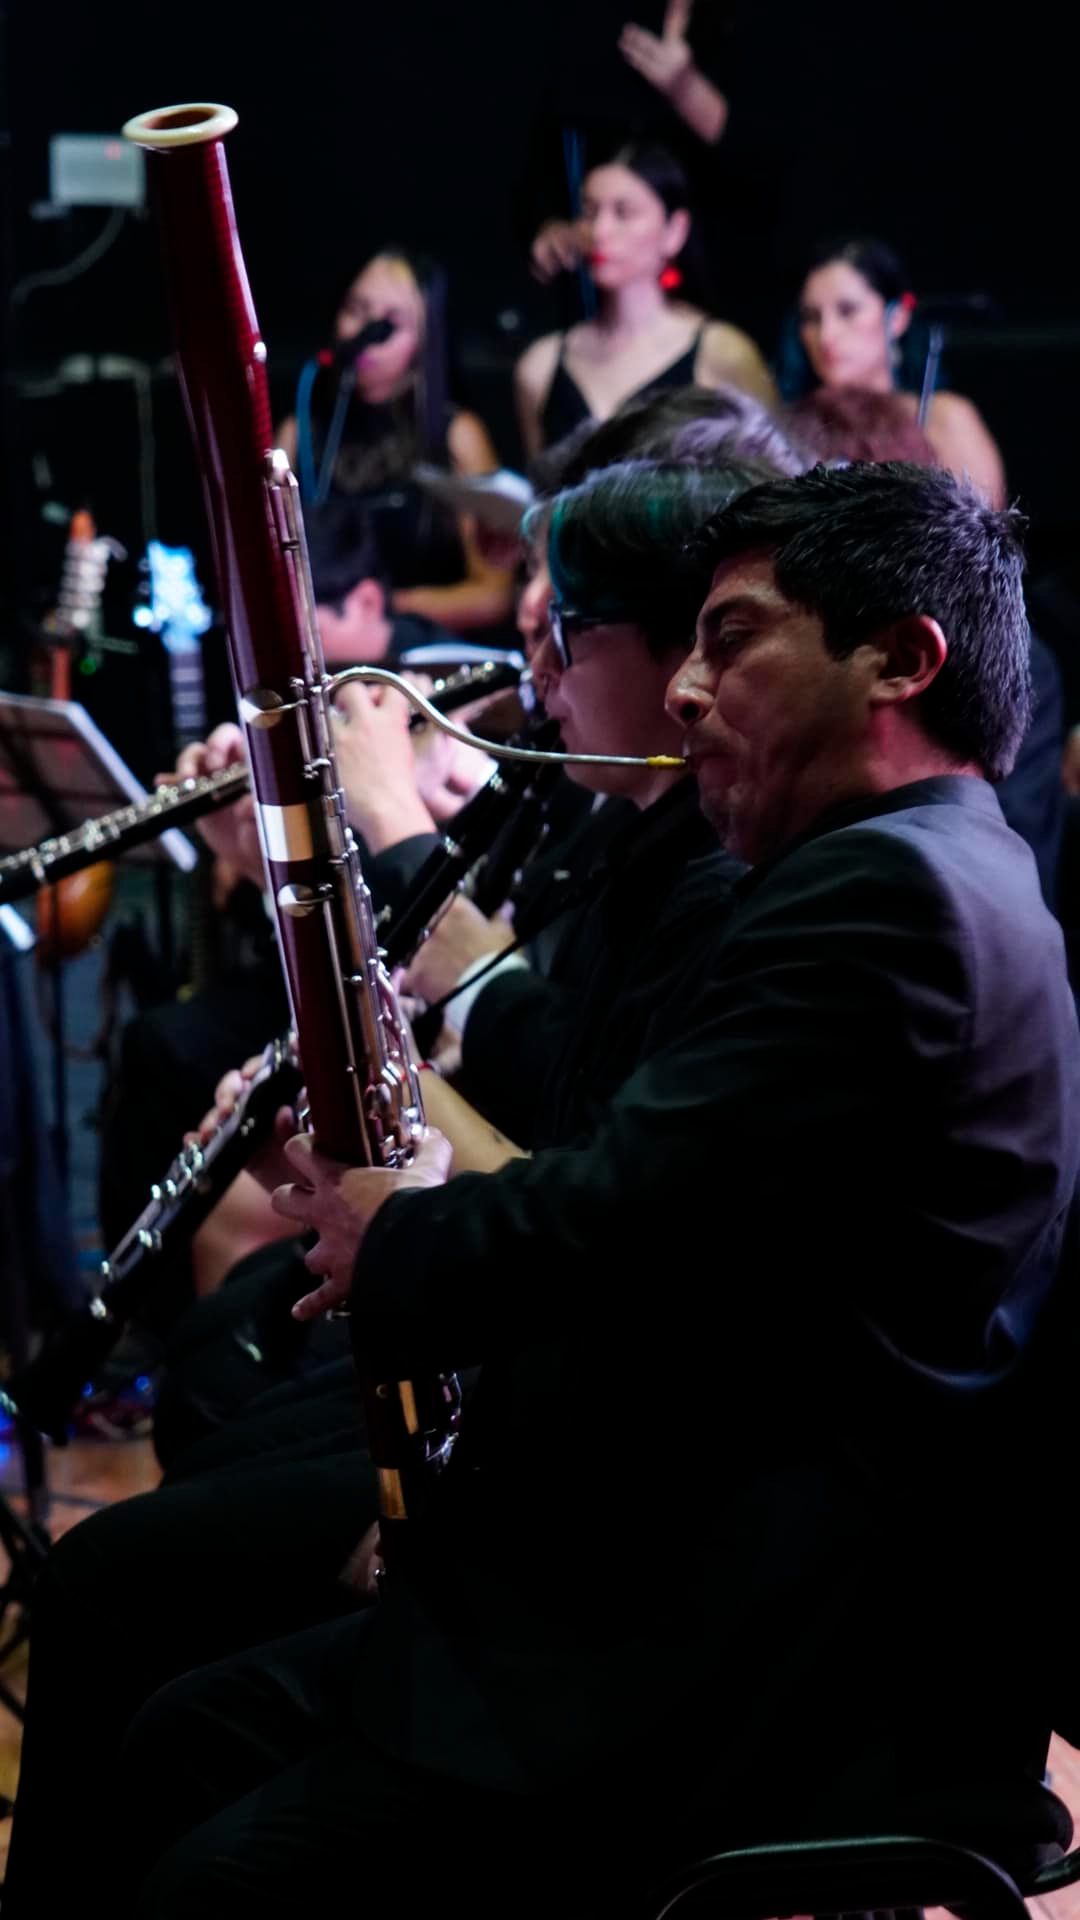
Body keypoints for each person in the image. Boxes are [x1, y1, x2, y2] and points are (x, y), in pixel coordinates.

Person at [111, 462, 1079, 1916]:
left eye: (733, 639)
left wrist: (397, 1231)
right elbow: (678, 1234)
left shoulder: (888, 895)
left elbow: (607, 1215)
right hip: (709, 1573)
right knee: (173, 1737)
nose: (687, 691)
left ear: (902, 658)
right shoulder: (922, 868)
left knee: (195, 1857)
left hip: (739, 1649)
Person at [1, 452, 778, 1919]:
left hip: (591, 1497)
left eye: (567, 634)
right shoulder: (622, 837)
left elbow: (577, 1155)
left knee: (138, 1594)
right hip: (525, 1387)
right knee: (211, 1409)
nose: (538, 670)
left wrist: (395, 827)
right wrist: (285, 866)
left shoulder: (729, 884)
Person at [277, 247, 514, 633]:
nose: (367, 334)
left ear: (424, 339)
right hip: (327, 653)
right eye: (356, 311)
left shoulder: (457, 435)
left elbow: (492, 595)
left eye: (390, 324)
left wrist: (382, 608)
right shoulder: (300, 432)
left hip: (420, 646)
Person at [515, 140, 775, 458]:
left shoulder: (722, 352)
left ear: (675, 230)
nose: (599, 230)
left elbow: (775, 480)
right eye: (589, 211)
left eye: (623, 213)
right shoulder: (540, 365)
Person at [783, 236, 1007, 506]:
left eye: (848, 311)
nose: (826, 335)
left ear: (898, 316)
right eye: (811, 317)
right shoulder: (786, 426)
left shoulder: (943, 420)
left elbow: (984, 534)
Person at [530, 0, 731, 285]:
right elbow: (544, 143)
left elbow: (771, 161)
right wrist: (550, 222)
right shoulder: (588, 28)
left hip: (720, 273)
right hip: (596, 287)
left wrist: (689, 91)